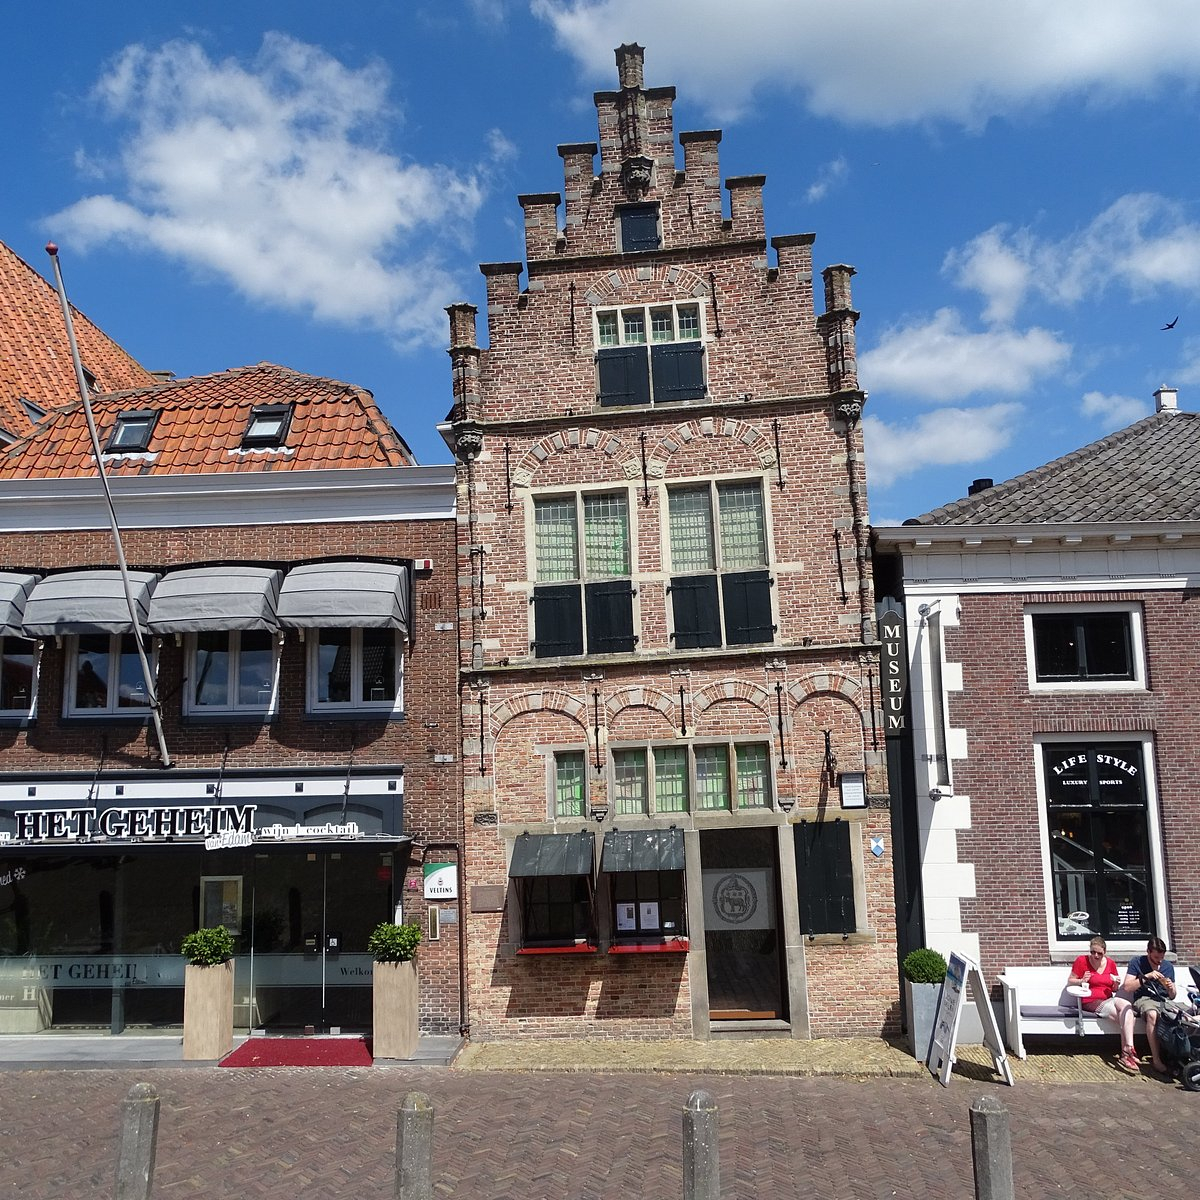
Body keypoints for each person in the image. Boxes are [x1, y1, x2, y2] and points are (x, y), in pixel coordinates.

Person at [1068, 936, 1138, 1073]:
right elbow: (1070, 980)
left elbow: (1114, 989)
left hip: (1108, 998)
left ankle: (1128, 1048)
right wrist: (1081, 980)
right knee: (1127, 1018)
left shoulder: (1110, 964)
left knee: (1127, 1008)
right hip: (1090, 1001)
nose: (1095, 956)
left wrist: (1116, 983)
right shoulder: (1082, 961)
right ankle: (1127, 1054)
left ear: (1105, 952)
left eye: (1099, 953)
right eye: (1093, 952)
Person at [1122, 935, 1177, 1074]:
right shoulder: (1137, 962)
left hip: (1163, 1000)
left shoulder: (1168, 967)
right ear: (1148, 952)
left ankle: (1178, 1055)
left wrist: (1171, 988)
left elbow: (1173, 996)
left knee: (1182, 1017)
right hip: (1144, 999)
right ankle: (1156, 1060)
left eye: (1162, 958)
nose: (1159, 961)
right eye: (1156, 958)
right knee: (1152, 1015)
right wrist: (1147, 976)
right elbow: (1127, 987)